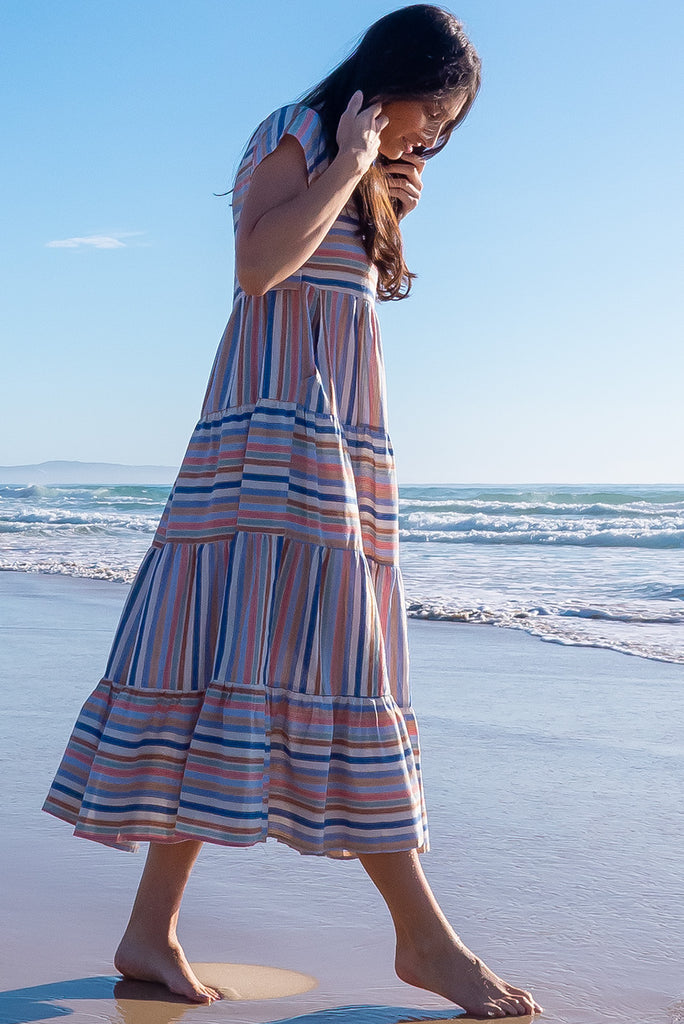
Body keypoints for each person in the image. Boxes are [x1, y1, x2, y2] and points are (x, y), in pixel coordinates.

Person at [43, 5, 542, 1018]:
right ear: (395, 77)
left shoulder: (367, 168)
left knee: (237, 665)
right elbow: (258, 267)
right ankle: (426, 941)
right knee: (327, 664)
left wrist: (378, 181)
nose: (431, 140)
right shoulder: (301, 131)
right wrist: (352, 161)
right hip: (271, 436)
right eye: (433, 116)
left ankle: (150, 932)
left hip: (334, 443)